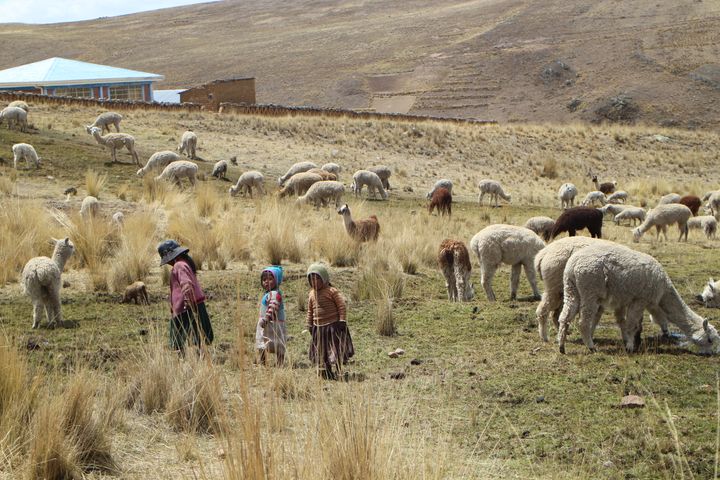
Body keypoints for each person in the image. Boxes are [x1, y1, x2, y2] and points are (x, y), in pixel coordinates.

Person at [157, 240, 214, 353]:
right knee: (197, 337)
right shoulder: (185, 263)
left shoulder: (179, 265)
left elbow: (186, 284)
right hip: (194, 305)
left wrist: (187, 302)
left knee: (180, 339)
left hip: (186, 308)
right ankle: (198, 357)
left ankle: (186, 360)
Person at [306, 262, 354, 379]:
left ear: (324, 278)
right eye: (311, 279)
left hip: (333, 326)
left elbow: (341, 306)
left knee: (335, 350)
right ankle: (325, 371)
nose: (314, 282)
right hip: (319, 328)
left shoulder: (332, 291)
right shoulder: (312, 294)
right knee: (321, 351)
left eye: (317, 278)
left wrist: (342, 320)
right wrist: (309, 324)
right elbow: (310, 310)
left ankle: (339, 371)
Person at [255, 266, 287, 366]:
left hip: (270, 324)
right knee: (277, 343)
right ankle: (275, 363)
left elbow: (273, 307)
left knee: (264, 342)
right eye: (264, 279)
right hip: (272, 323)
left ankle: (265, 362)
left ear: (277, 280)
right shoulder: (271, 293)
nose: (266, 282)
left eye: (270, 279)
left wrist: (266, 319)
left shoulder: (273, 294)